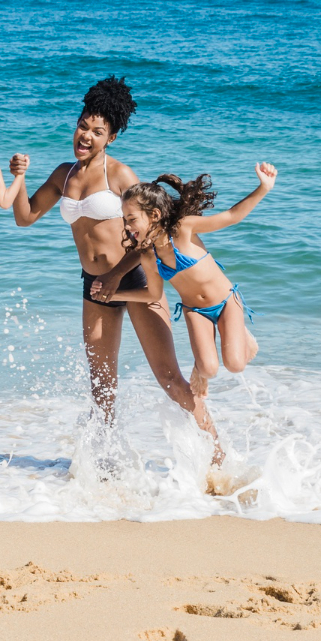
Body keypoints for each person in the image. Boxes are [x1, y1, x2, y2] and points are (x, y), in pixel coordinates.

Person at [9, 77, 215, 439]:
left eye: (98, 131)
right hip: (95, 286)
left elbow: (150, 236)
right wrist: (20, 178)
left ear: (111, 138)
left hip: (133, 280)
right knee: (102, 389)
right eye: (83, 125)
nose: (86, 136)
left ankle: (217, 455)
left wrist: (118, 276)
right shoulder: (64, 174)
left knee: (169, 379)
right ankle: (104, 472)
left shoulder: (121, 175)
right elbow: (25, 217)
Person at [91, 166, 279, 461]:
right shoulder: (149, 255)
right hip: (196, 310)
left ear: (153, 215)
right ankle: (205, 367)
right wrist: (114, 295)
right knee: (208, 368)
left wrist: (263, 188)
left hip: (226, 301)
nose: (127, 227)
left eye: (131, 219)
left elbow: (232, 216)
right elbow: (152, 295)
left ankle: (242, 332)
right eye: (125, 220)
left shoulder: (185, 229)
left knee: (236, 364)